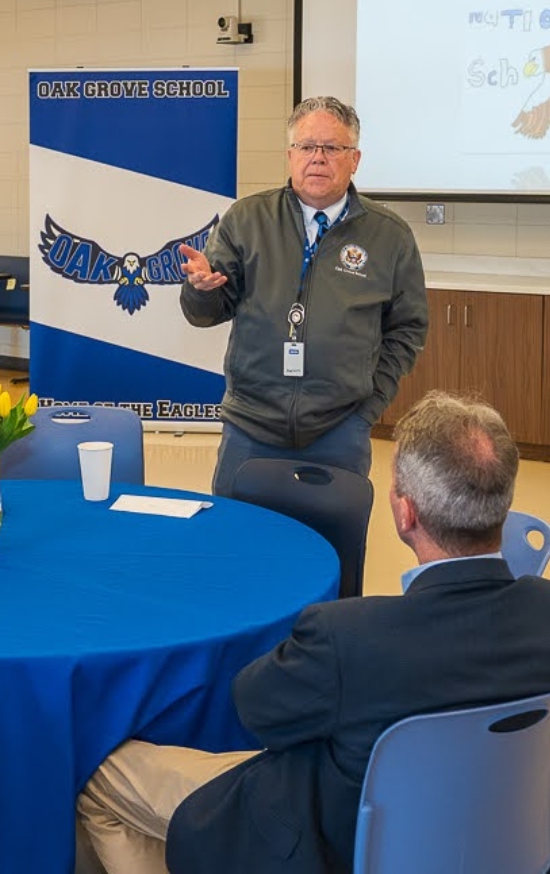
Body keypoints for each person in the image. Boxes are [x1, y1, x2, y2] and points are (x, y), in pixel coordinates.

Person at [77, 392, 550, 874]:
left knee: (98, 774)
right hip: (495, 842)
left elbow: (252, 708)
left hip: (323, 843)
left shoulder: (349, 636)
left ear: (405, 514)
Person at [179, 95, 428, 496]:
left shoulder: (390, 236)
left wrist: (368, 407)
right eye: (307, 146)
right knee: (237, 534)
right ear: (290, 155)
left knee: (330, 536)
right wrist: (199, 290)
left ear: (355, 159)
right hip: (250, 426)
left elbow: (408, 329)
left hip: (340, 430)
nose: (318, 158)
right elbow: (204, 314)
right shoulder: (247, 219)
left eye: (332, 148)